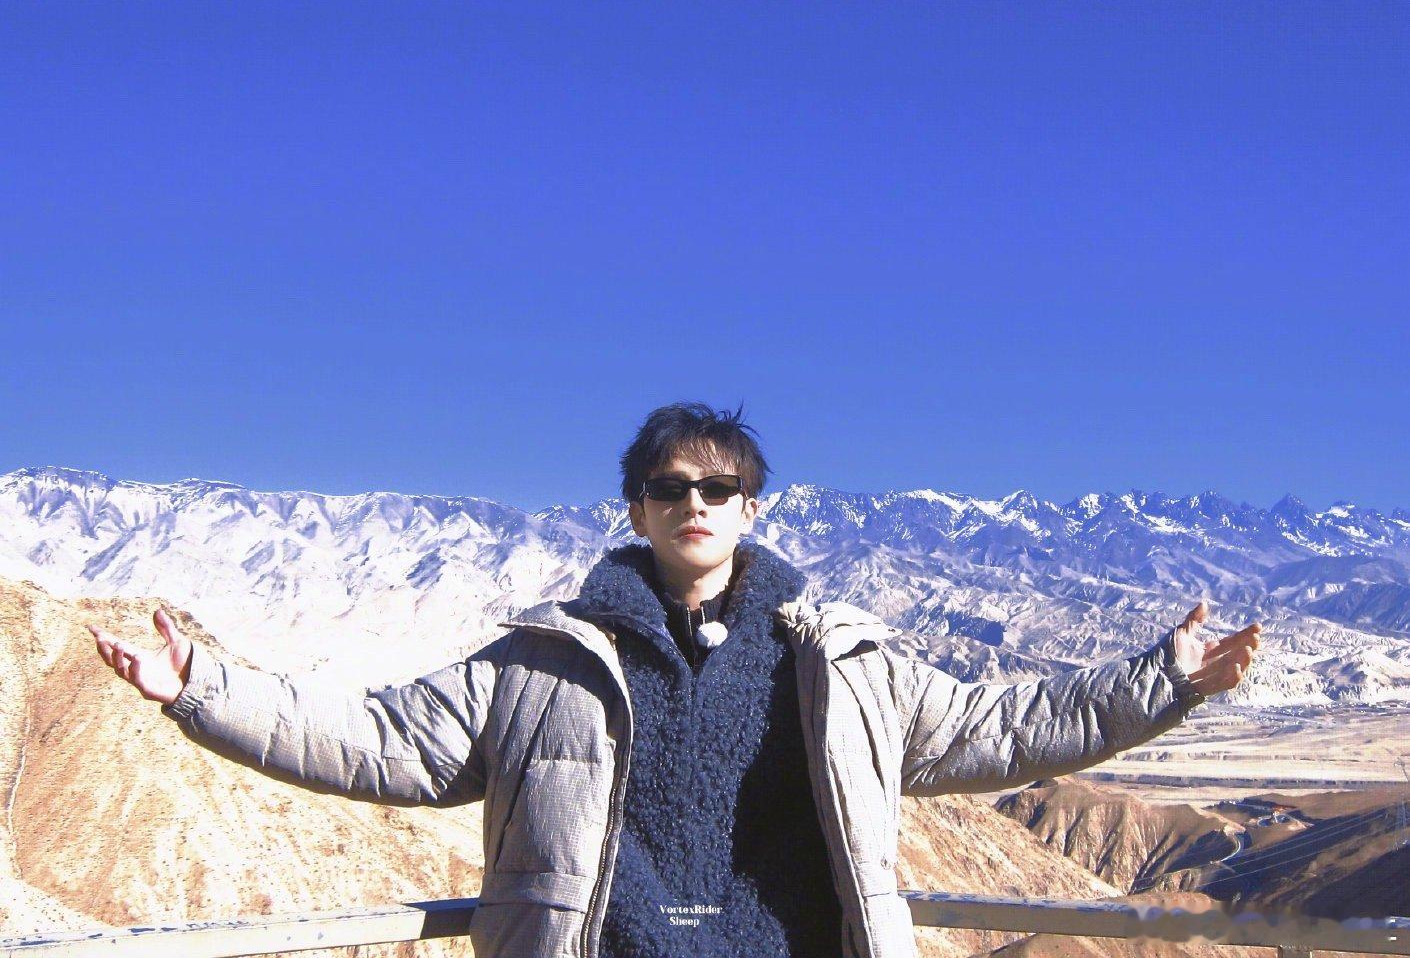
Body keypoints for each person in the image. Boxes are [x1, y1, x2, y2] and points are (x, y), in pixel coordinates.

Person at [90, 400, 1262, 958]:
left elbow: (1007, 726)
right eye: (668, 487)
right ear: (636, 508)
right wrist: (203, 688)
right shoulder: (545, 663)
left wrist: (1162, 681)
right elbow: (382, 740)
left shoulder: (838, 663)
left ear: (753, 509)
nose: (692, 502)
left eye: (716, 487)